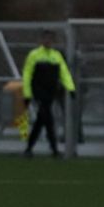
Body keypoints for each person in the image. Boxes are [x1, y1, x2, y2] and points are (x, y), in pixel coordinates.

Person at [21, 28, 76, 158]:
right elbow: (27, 74)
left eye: (50, 39)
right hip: (38, 91)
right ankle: (54, 149)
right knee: (48, 118)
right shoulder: (34, 55)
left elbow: (64, 73)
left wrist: (71, 88)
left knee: (41, 119)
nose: (48, 41)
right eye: (45, 38)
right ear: (41, 40)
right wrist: (27, 94)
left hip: (51, 92)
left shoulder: (56, 56)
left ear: (53, 41)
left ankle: (29, 148)